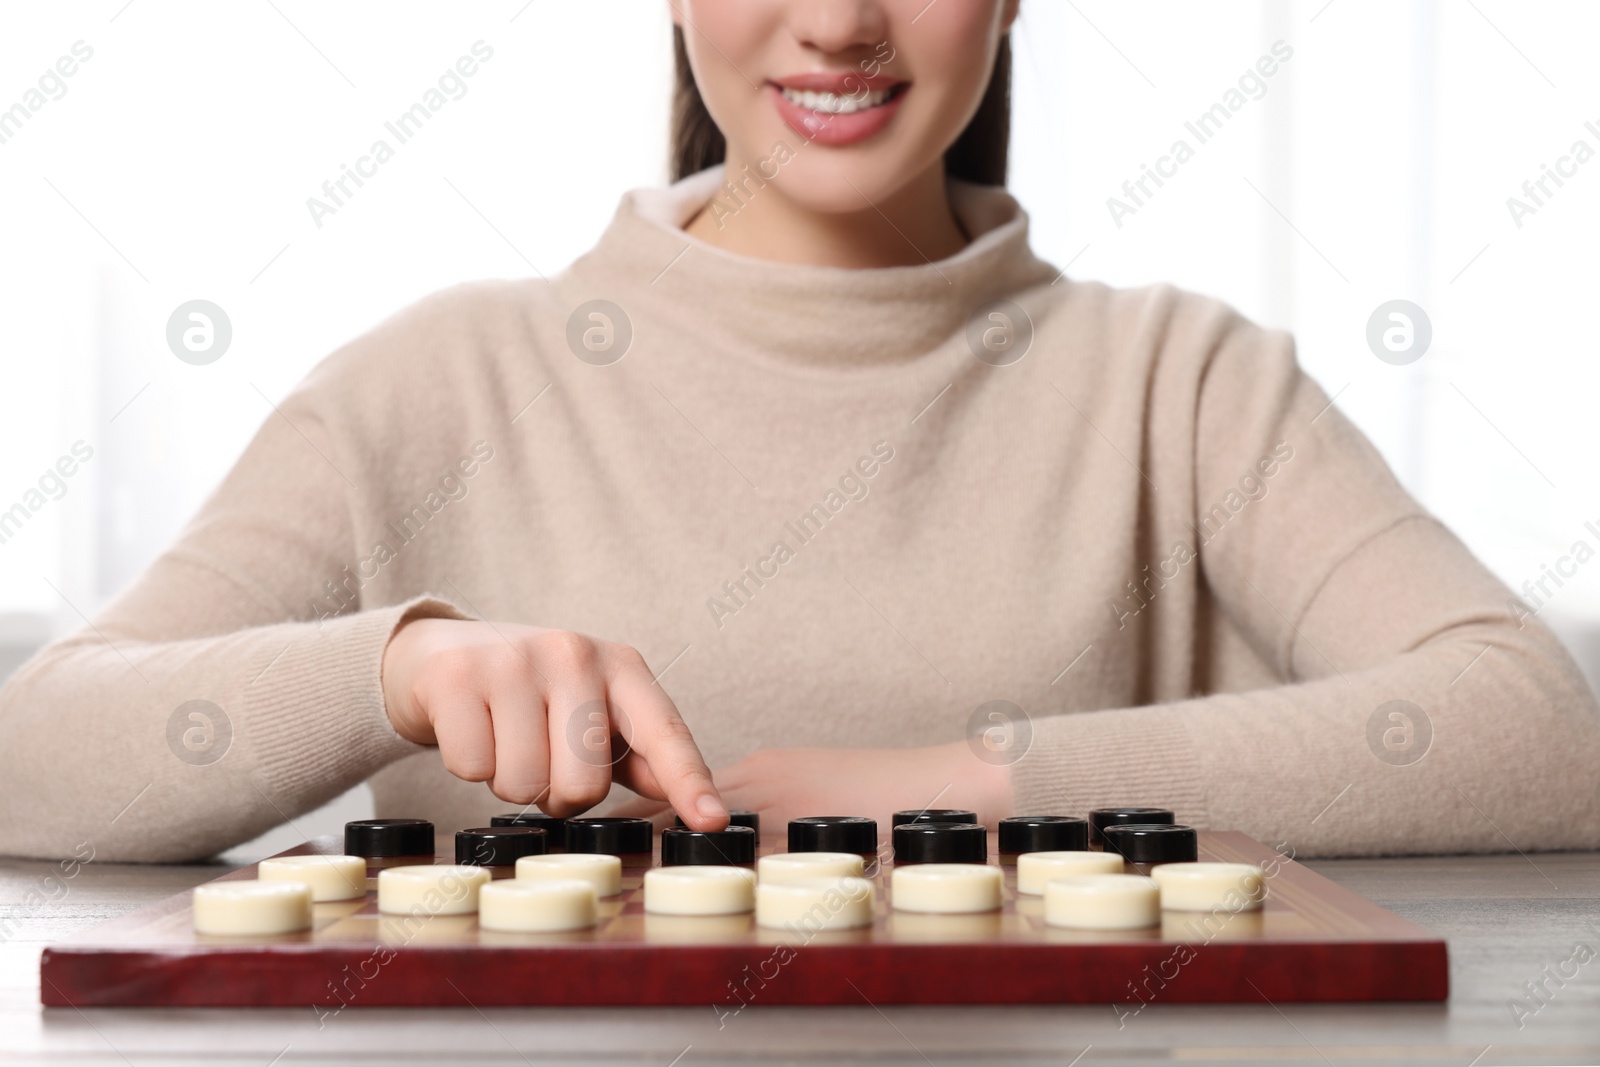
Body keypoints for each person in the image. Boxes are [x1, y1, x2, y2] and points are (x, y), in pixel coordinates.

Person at [2, 0, 1596, 863]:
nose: (838, 23)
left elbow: (1541, 735)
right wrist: (396, 666)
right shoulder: (433, 384)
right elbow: (33, 763)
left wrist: (981, 787)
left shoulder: (1182, 381)